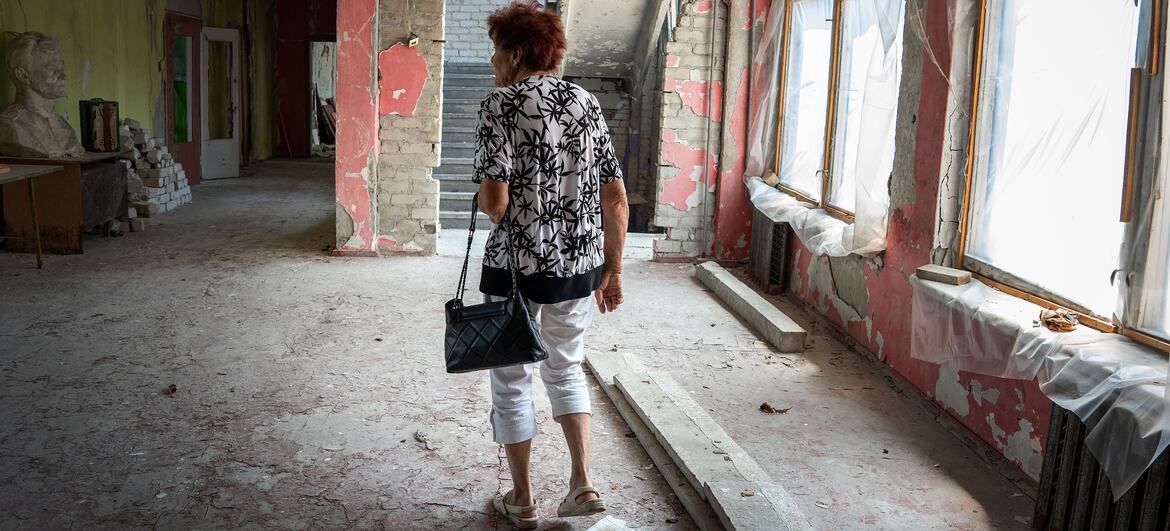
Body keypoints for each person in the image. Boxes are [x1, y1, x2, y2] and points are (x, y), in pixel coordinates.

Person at [471, 2, 629, 528]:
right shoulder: (585, 103)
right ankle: (582, 485)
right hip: (577, 268)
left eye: (497, 50)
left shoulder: (499, 105)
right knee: (567, 368)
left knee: (512, 378)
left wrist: (484, 197)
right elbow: (615, 197)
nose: (494, 60)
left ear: (515, 53)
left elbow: (495, 204)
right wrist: (614, 269)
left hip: (515, 270)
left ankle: (522, 499)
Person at [0, 32, 85, 158]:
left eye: (62, 67)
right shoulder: (9, 124)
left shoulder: (62, 124)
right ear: (23, 76)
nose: (63, 76)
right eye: (52, 68)